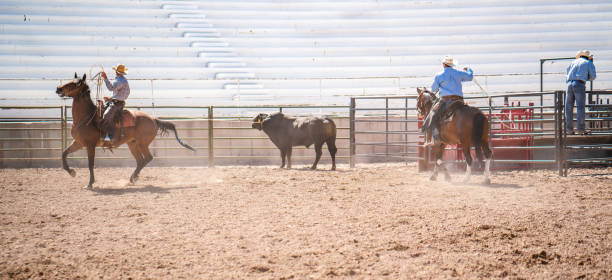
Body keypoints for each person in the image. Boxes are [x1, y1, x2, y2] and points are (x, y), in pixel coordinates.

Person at [422, 56, 473, 145]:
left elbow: (433, 89)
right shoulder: (459, 73)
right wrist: (469, 69)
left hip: (445, 101)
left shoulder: (439, 75)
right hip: (459, 101)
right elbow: (470, 77)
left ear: (443, 65)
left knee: (433, 114)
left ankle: (434, 137)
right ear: (452, 65)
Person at [565, 50, 596, 135]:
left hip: (569, 84)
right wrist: (586, 77)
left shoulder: (573, 62)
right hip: (579, 83)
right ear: (587, 57)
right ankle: (581, 130)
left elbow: (566, 73)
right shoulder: (588, 62)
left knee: (568, 108)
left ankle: (569, 130)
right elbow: (593, 76)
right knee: (580, 107)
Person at [100, 64, 130, 143]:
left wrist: (105, 78)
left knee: (106, 115)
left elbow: (111, 88)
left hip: (117, 103)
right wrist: (110, 98)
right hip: (117, 101)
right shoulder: (122, 80)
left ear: (117, 72)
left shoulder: (120, 81)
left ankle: (110, 135)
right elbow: (119, 94)